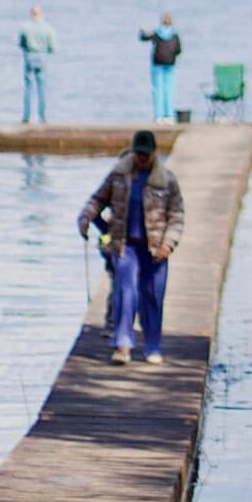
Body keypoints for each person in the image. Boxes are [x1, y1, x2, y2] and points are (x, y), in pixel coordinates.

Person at [77, 128, 184, 366]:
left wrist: (169, 243)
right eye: (139, 154)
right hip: (126, 247)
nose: (143, 158)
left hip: (155, 250)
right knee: (126, 293)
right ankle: (123, 344)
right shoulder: (119, 175)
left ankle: (152, 346)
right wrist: (86, 218)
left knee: (152, 297)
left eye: (147, 154)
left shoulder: (167, 180)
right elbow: (97, 200)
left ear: (154, 154)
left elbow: (176, 216)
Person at [139, 13, 182, 121]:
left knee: (158, 90)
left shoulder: (158, 33)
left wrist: (141, 31)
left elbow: (144, 38)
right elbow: (178, 50)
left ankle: (159, 116)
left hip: (157, 65)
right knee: (169, 90)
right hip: (170, 65)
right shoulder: (175, 35)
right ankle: (169, 116)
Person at [19, 5, 56, 123]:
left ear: (32, 14)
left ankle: (26, 117)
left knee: (28, 88)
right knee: (42, 88)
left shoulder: (25, 28)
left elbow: (21, 44)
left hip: (29, 58)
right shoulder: (48, 28)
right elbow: (52, 48)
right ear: (42, 14)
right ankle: (42, 117)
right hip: (42, 59)